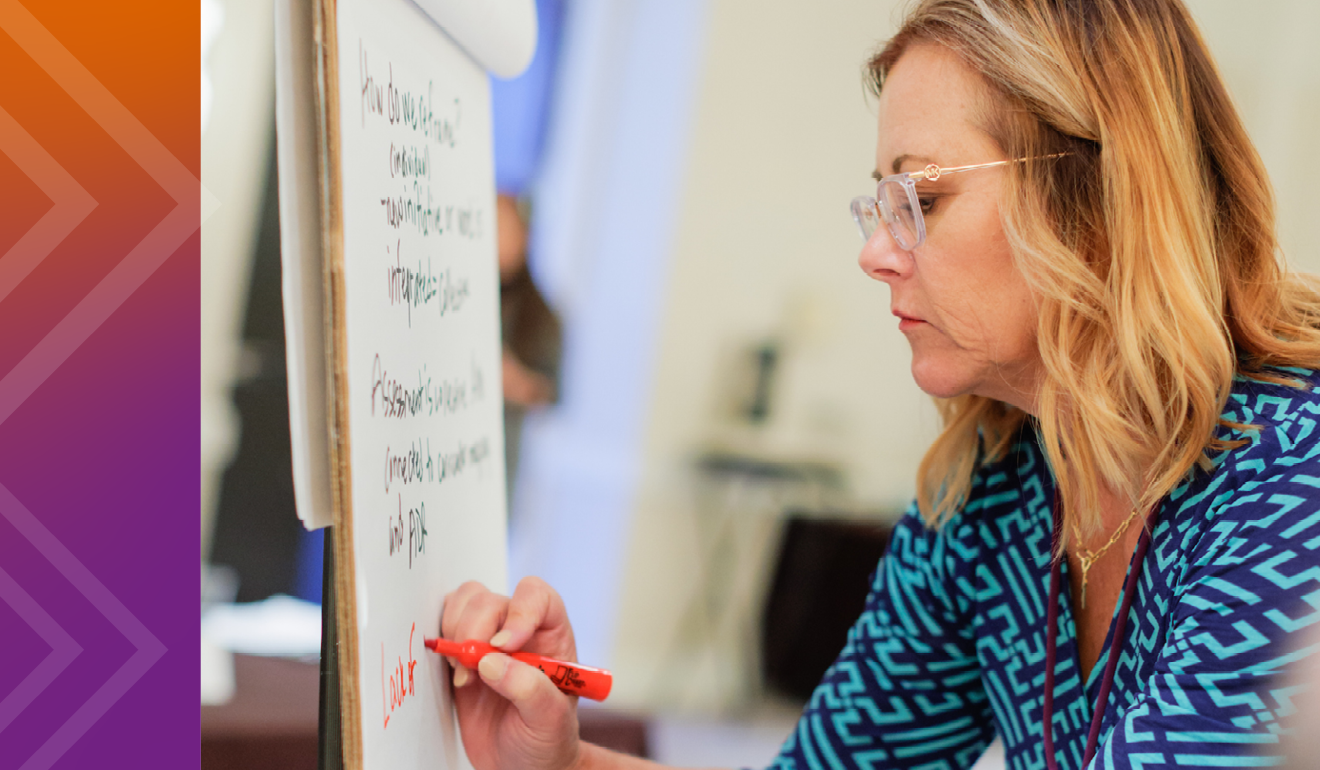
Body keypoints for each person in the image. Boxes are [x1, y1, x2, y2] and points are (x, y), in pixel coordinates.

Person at [439, 0, 1320, 767]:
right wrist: (557, 761)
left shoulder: (1292, 479)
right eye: (880, 205)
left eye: (922, 201)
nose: (874, 254)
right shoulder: (995, 500)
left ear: (1097, 196)